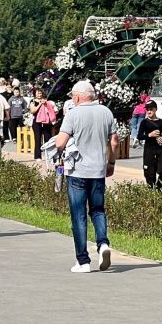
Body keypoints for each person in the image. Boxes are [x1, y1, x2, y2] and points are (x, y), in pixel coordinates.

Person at [53, 80, 117, 273]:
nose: (72, 99)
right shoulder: (106, 112)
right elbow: (114, 141)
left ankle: (83, 260)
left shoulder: (73, 114)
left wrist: (59, 144)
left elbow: (60, 143)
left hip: (77, 171)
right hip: (98, 171)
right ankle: (103, 244)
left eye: (73, 96)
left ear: (79, 96)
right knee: (98, 210)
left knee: (78, 215)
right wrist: (111, 162)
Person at [137, 101, 162, 189]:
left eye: (151, 109)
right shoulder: (144, 122)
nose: (149, 112)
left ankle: (159, 190)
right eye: (147, 110)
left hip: (160, 149)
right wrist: (149, 135)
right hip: (149, 150)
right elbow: (139, 136)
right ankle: (151, 192)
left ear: (155, 109)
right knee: (149, 174)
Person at [30, 88, 57, 161]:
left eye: (41, 93)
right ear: (35, 93)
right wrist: (40, 104)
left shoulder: (47, 101)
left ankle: (50, 156)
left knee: (48, 139)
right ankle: (38, 156)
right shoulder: (32, 101)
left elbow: (52, 110)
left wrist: (46, 104)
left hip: (46, 122)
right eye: (38, 93)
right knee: (38, 139)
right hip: (37, 122)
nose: (40, 94)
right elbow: (33, 111)